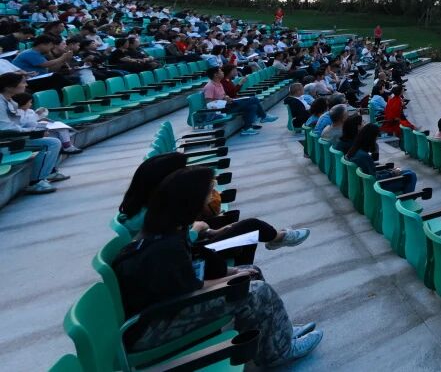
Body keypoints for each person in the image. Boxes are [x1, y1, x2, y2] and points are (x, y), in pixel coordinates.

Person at [111, 166, 323, 366]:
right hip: (153, 327)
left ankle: (278, 333)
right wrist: (232, 278)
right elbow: (192, 289)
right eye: (207, 193)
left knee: (250, 273)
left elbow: (185, 280)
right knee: (255, 290)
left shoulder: (165, 230)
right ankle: (278, 352)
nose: (211, 197)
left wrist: (234, 273)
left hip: (160, 311)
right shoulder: (166, 247)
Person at [117, 154, 310, 250]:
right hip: (189, 254)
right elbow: (167, 245)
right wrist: (197, 230)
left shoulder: (143, 204)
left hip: (189, 244)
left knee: (237, 226)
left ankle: (277, 237)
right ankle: (278, 238)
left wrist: (207, 230)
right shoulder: (145, 216)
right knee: (251, 226)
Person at [0, 72, 68, 193]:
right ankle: (36, 182)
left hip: (15, 137)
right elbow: (6, 128)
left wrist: (38, 126)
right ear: (9, 87)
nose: (26, 85)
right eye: (22, 82)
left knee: (53, 133)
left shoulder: (9, 101)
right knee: (51, 143)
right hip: (7, 142)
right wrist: (33, 131)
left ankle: (50, 172)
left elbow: (19, 123)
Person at [202, 67, 275, 136]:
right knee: (254, 99)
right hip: (222, 109)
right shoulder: (210, 86)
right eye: (220, 71)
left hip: (228, 104)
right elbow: (209, 102)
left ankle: (247, 128)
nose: (222, 72)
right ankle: (263, 116)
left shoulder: (219, 83)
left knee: (253, 106)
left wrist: (226, 97)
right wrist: (224, 101)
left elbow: (223, 95)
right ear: (215, 75)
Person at [346, 123, 416, 194]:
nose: (377, 139)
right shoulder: (364, 157)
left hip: (366, 186)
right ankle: (406, 198)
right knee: (411, 176)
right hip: (376, 188)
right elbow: (374, 178)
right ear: (371, 138)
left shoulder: (355, 150)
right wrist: (392, 173)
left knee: (407, 172)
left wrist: (389, 172)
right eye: (376, 137)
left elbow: (371, 172)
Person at [13, 91, 79, 152]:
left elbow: (35, 119)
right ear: (23, 103)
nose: (31, 104)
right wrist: (37, 116)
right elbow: (26, 123)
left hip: (41, 130)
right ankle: (67, 147)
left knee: (62, 128)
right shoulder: (16, 113)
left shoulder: (30, 111)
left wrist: (41, 115)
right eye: (29, 102)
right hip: (31, 135)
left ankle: (68, 147)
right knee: (56, 139)